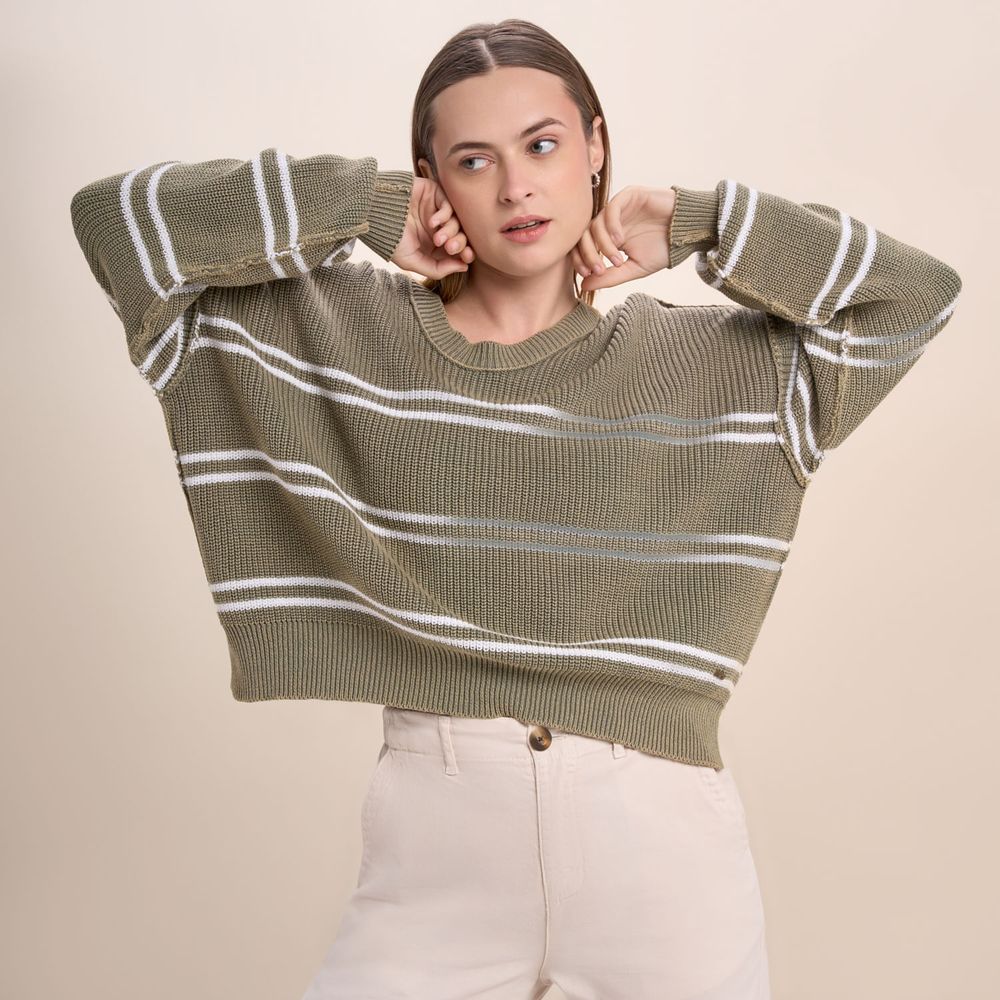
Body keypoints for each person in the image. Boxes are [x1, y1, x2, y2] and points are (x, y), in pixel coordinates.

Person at [69, 17, 962, 1000]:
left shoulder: (718, 365)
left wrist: (705, 221)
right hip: (436, 839)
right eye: (473, 160)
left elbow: (915, 296)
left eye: (541, 145)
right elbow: (118, 225)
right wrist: (357, 205)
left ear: (595, 148)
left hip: (663, 857)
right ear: (431, 181)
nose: (515, 188)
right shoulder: (327, 328)